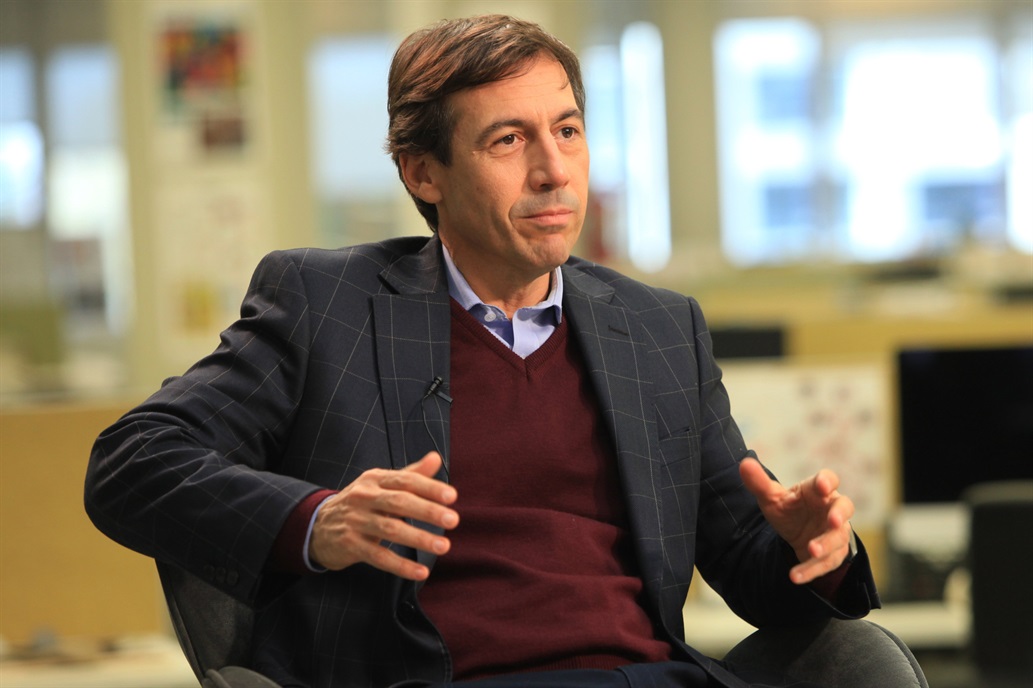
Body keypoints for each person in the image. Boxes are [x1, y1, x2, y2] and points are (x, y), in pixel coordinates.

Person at [85, 14, 879, 688]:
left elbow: (752, 573)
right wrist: (316, 520)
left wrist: (816, 549)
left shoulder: (658, 329)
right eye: (508, 140)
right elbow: (132, 461)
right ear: (422, 173)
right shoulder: (327, 306)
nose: (553, 170)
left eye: (567, 130)